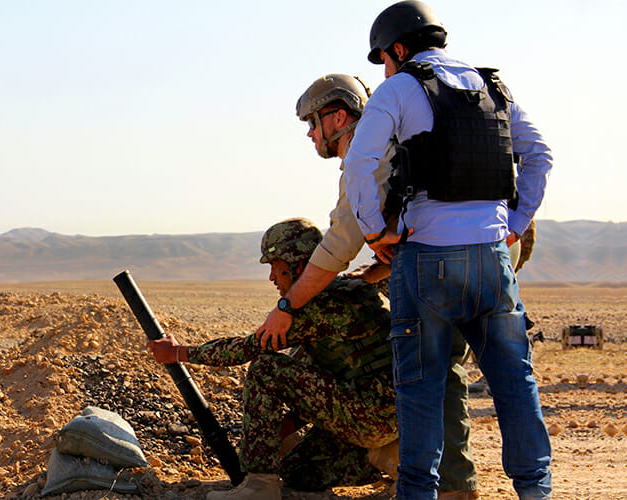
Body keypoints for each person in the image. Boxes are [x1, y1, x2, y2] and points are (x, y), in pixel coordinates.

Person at [342, 2, 553, 499]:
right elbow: (540, 155)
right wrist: (514, 226)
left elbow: (358, 164)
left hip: (427, 261)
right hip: (491, 260)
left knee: (420, 392)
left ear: (397, 48)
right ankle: (536, 492)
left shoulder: (399, 88)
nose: (386, 69)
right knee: (515, 385)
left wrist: (374, 233)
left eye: (384, 58)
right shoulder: (493, 88)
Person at [256, 73, 479, 498]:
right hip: (474, 260)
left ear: (338, 117)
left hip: (432, 274)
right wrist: (374, 273)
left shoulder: (367, 154)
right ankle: (456, 480)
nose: (309, 133)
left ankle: (435, 479)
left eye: (312, 122)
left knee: (427, 377)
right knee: (449, 377)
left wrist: (290, 304)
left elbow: (341, 240)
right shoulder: (405, 141)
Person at [148, 218, 399, 499]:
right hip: (389, 415)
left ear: (298, 265)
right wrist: (283, 428)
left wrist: (178, 352)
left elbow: (246, 349)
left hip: (369, 415)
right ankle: (388, 456)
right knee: (297, 471)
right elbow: (322, 384)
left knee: (266, 368)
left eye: (275, 267)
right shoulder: (354, 287)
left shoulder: (321, 305)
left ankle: (259, 488)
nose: (271, 278)